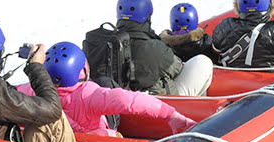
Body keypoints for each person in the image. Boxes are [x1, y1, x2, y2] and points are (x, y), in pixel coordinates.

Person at [17, 42, 197, 136]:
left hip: (69, 141)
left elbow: (9, 92)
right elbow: (130, 101)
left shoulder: (31, 90)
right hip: (96, 139)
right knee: (107, 82)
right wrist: (171, 116)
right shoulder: (88, 94)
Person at [115, 0, 213, 96]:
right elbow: (177, 68)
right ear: (147, 16)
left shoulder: (108, 43)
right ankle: (200, 109)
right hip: (160, 104)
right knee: (203, 61)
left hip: (121, 103)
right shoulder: (154, 47)